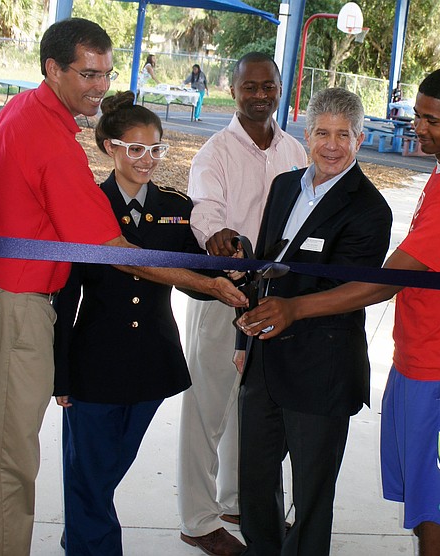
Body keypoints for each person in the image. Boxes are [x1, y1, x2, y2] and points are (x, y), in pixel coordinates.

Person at [0, 19, 244, 556]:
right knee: (8, 463)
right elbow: (115, 253)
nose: (99, 86)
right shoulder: (49, 141)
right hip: (15, 308)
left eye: (105, 73)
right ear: (51, 68)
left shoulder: (23, 114)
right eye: (87, 73)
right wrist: (209, 284)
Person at [238, 66, 440, 556]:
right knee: (422, 489)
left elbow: (384, 281)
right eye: (417, 115)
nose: (417, 127)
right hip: (420, 356)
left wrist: (294, 308)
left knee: (438, 493)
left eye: (431, 120)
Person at [237, 87, 392, 556]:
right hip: (263, 361)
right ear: (307, 135)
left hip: (321, 370)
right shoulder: (285, 185)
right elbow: (264, 265)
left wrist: (293, 310)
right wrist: (243, 341)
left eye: (343, 135)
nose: (331, 144)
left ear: (360, 139)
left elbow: (353, 292)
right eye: (322, 132)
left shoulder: (370, 209)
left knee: (312, 496)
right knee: (255, 484)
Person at [53, 95, 202, 552]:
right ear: (108, 148)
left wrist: (229, 266)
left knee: (102, 470)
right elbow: (66, 297)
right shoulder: (87, 205)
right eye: (135, 149)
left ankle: (79, 538)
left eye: (156, 149)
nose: (147, 160)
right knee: (90, 473)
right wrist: (60, 373)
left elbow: (195, 278)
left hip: (151, 362)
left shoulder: (177, 207)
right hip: (94, 363)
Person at [178, 52, 306, 556]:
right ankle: (197, 516)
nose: (259, 95)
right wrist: (218, 236)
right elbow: (205, 209)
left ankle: (235, 501)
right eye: (249, 87)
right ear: (232, 91)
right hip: (224, 293)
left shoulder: (296, 151)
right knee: (206, 409)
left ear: (280, 89)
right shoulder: (214, 152)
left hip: (276, 300)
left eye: (268, 86)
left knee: (251, 404)